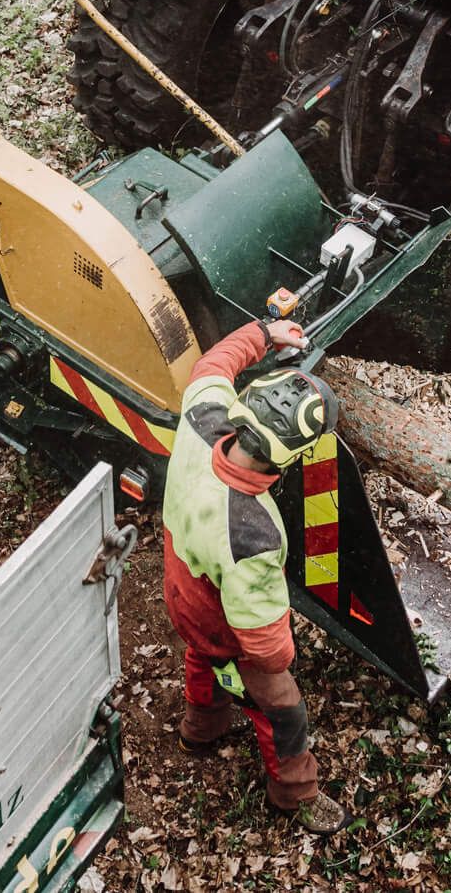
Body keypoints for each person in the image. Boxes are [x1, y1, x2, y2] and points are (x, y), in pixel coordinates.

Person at [161, 313, 347, 835]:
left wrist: (265, 334)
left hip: (180, 586)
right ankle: (294, 793)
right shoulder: (254, 534)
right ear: (291, 455)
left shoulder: (203, 413)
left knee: (199, 654)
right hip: (222, 619)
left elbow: (213, 363)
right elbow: (265, 643)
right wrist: (282, 657)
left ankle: (199, 731)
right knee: (283, 706)